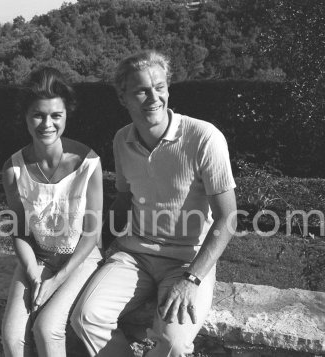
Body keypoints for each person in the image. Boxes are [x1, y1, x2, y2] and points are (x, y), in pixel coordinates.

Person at [71, 50, 237, 357]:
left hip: (187, 261)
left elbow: (228, 218)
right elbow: (123, 200)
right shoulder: (122, 140)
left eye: (160, 87)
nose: (154, 97)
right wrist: (99, 248)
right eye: (142, 91)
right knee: (86, 318)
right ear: (122, 97)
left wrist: (192, 278)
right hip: (134, 256)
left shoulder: (204, 138)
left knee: (173, 342)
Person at [0, 67, 103, 357]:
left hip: (80, 259)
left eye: (56, 115)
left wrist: (56, 281)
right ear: (25, 117)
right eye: (38, 115)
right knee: (11, 339)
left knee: (47, 329)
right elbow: (19, 231)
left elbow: (92, 233)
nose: (47, 123)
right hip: (38, 258)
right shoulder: (13, 168)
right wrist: (34, 276)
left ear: (66, 115)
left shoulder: (88, 162)